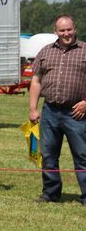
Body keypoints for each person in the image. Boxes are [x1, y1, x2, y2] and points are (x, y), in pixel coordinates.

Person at [29, 14, 86, 205]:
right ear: (56, 32)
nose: (66, 33)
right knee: (48, 155)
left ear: (74, 29)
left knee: (82, 156)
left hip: (77, 113)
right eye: (62, 30)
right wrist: (33, 108)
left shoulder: (85, 50)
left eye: (69, 29)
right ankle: (50, 194)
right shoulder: (46, 51)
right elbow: (36, 81)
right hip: (50, 111)